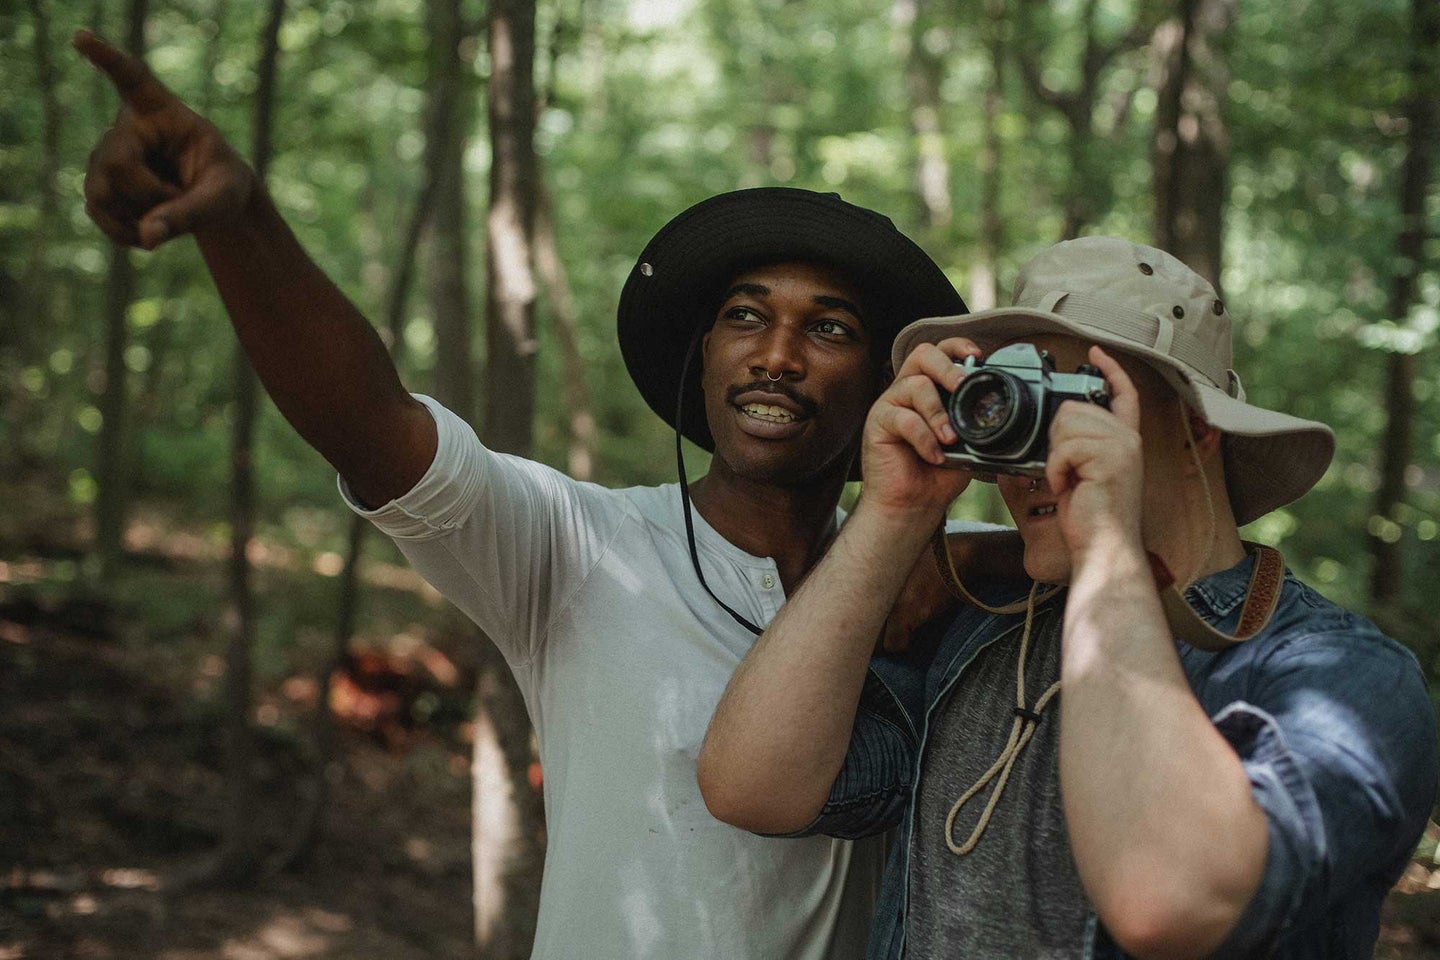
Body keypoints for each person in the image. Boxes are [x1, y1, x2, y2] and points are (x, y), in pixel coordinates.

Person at [73, 29, 1019, 960]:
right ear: (701, 363)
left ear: (879, 383)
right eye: (744, 316)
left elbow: (1120, 558)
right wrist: (242, 224)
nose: (776, 355)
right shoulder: (581, 549)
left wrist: (955, 541)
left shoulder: (926, 568)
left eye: (831, 328)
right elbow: (371, 424)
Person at [699, 236, 1439, 958]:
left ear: (1197, 428)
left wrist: (1109, 550)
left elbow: (1169, 903)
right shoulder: (986, 633)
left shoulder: (1341, 676)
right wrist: (895, 512)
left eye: (1074, 400)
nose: (1032, 455)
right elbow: (752, 788)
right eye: (1008, 401)